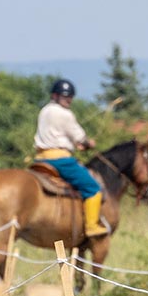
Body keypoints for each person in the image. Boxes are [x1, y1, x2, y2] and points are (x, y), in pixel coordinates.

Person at [34, 79, 108, 237]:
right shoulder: (65, 114)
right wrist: (88, 143)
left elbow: (56, 134)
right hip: (61, 160)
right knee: (93, 188)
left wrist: (76, 144)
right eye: (65, 97)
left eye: (70, 97)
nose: (69, 100)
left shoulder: (44, 111)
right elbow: (81, 137)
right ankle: (92, 226)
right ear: (55, 96)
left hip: (40, 159)